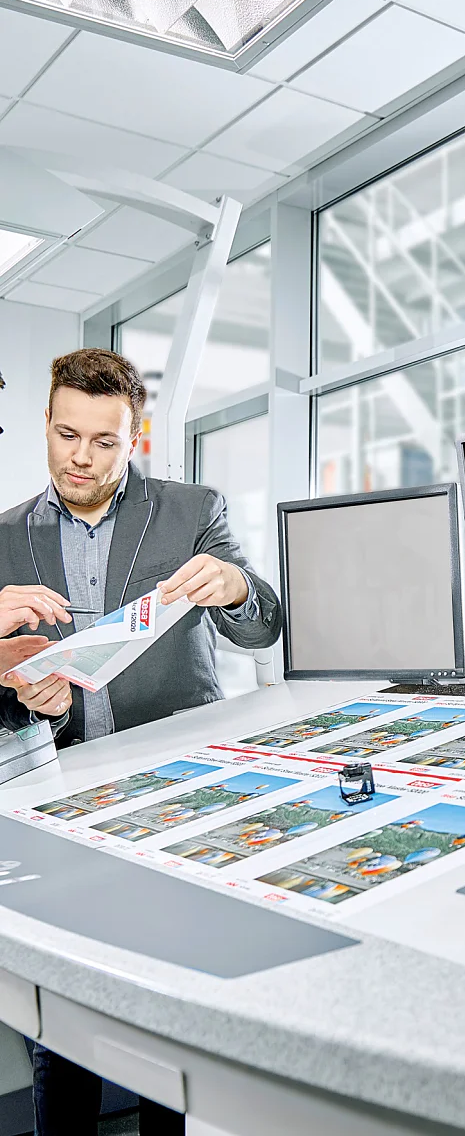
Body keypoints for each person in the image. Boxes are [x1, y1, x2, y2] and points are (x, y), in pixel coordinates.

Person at [0, 348, 282, 1136]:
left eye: (103, 441)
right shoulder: (2, 538)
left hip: (180, 797)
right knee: (62, 1022)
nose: (80, 458)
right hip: (59, 803)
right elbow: (2, 687)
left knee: (172, 1010)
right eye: (65, 435)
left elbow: (264, 625)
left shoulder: (193, 508)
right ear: (46, 426)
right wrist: (23, 693)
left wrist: (235, 587)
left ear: (136, 437)